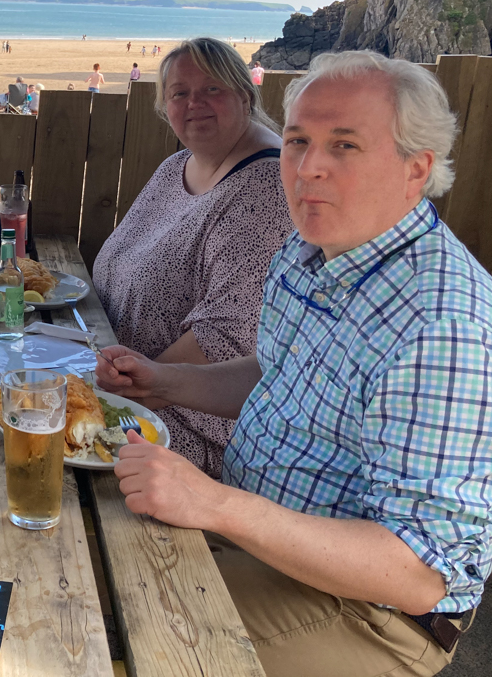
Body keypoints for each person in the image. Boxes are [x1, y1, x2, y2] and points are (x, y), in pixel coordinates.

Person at [96, 51, 490, 677]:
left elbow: (419, 573)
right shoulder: (310, 252)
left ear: (415, 170)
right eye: (299, 140)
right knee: (85, 573)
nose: (308, 168)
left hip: (372, 614)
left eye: (345, 145)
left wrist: (217, 506)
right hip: (261, 536)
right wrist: (163, 382)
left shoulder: (439, 325)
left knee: (105, 645)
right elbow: (276, 377)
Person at [92, 37, 293, 476]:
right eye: (179, 93)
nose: (194, 103)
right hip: (122, 388)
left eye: (212, 89)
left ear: (245, 95)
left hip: (184, 424)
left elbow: (223, 336)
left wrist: (109, 396)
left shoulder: (267, 187)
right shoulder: (178, 165)